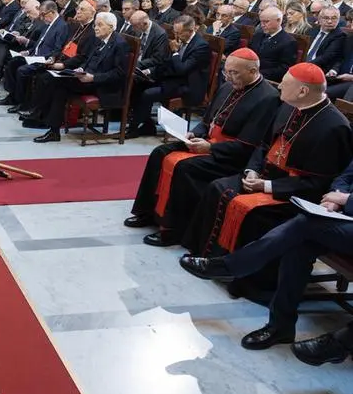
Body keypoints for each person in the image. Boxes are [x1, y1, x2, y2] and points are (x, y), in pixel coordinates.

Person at [182, 63, 353, 257]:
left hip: (293, 191)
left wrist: (267, 186)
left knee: (253, 213)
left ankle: (241, 277)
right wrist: (252, 170)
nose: (279, 86)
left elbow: (317, 183)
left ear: (303, 91)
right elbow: (264, 144)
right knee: (217, 188)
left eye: (285, 83)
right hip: (263, 175)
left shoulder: (334, 127)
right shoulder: (290, 105)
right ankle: (205, 254)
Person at [180, 159, 353, 351]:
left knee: (305, 224)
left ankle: (231, 266)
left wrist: (346, 200)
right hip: (345, 218)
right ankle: (280, 326)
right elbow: (346, 175)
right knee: (300, 245)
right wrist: (336, 197)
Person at [125, 49, 280, 247]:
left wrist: (211, 148)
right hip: (207, 142)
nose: (229, 77)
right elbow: (207, 121)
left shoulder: (268, 98)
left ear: (252, 71)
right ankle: (148, 212)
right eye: (227, 72)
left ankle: (173, 229)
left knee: (184, 167)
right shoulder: (227, 87)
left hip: (231, 156)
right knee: (160, 152)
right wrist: (195, 133)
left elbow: (250, 145)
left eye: (235, 73)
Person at [25, 12, 130, 143]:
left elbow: (119, 74)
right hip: (86, 78)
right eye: (95, 25)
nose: (96, 28)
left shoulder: (120, 44)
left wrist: (93, 78)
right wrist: (81, 70)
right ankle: (52, 129)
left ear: (111, 27)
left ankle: (46, 122)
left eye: (100, 25)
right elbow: (88, 59)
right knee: (57, 84)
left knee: (56, 82)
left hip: (102, 85)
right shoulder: (99, 39)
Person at [127, 15, 210, 138]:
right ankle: (147, 125)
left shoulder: (201, 46)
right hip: (173, 79)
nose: (176, 35)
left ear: (190, 31)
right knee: (139, 83)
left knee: (148, 94)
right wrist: (149, 72)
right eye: (174, 32)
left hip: (188, 86)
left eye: (179, 33)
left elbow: (182, 69)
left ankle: (133, 129)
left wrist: (175, 52)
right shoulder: (179, 40)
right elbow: (165, 62)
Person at [0, 0, 69, 112]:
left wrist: (49, 59)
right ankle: (12, 96)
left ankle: (23, 103)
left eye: (43, 14)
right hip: (34, 55)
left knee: (22, 70)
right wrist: (28, 52)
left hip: (44, 59)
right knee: (13, 62)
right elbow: (38, 44)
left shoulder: (61, 26)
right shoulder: (48, 24)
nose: (41, 17)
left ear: (52, 12)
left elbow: (57, 48)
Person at [249, 7, 297, 82]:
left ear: (279, 21)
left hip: (267, 80)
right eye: (261, 22)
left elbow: (284, 69)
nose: (262, 25)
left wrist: (258, 74)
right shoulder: (257, 35)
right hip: (250, 73)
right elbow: (248, 53)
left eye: (266, 22)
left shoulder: (288, 42)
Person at [304, 6, 345, 72]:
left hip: (318, 68)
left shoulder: (339, 35)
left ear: (338, 19)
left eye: (334, 18)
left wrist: (305, 65)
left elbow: (326, 57)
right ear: (319, 19)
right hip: (302, 63)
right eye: (326, 18)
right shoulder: (311, 30)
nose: (329, 21)